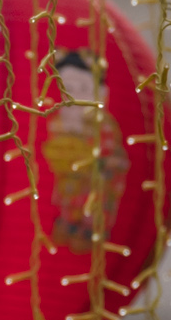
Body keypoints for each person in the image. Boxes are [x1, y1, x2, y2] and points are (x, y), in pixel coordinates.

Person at [41, 48, 127, 248]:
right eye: (68, 87)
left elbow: (115, 163)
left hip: (92, 195)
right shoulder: (56, 124)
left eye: (83, 87)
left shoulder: (103, 127)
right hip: (61, 196)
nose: (75, 96)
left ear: (102, 93)